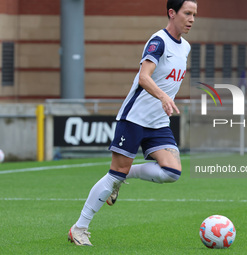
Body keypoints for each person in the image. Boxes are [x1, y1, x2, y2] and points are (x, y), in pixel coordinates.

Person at [68, 0, 197, 246]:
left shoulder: (186, 47)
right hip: (134, 119)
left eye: (194, 15)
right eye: (187, 13)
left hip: (158, 122)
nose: (191, 19)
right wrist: (163, 96)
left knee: (172, 173)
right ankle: (79, 228)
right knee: (115, 172)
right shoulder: (158, 42)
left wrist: (164, 101)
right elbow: (143, 77)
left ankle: (125, 176)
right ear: (172, 13)